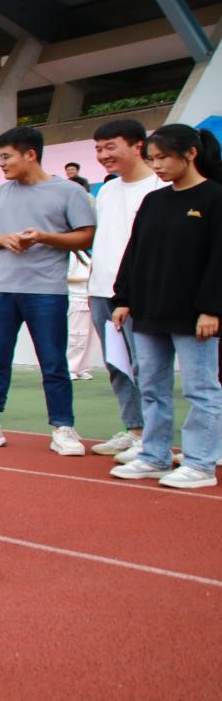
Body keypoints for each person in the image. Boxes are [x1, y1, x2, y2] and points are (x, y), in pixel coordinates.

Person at [0, 127, 95, 455]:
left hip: (47, 290)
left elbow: (86, 237)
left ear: (30, 154)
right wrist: (1, 240)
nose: (1, 163)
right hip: (2, 289)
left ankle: (63, 427)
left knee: (53, 361)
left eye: (6, 157)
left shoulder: (69, 192)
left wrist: (44, 236)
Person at [109, 124, 222, 489]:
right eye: (151, 159)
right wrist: (123, 299)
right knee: (152, 387)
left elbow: (220, 259)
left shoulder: (215, 197)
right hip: (149, 310)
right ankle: (154, 456)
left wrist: (212, 308)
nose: (156, 165)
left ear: (190, 154)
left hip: (194, 314)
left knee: (200, 389)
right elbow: (135, 252)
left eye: (163, 158)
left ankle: (201, 463)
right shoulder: (154, 201)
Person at [88, 119, 164, 462]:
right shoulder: (106, 190)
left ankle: (153, 437)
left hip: (139, 293)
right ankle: (134, 429)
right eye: (98, 149)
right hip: (101, 290)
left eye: (110, 147)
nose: (103, 155)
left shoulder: (159, 187)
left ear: (137, 146)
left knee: (146, 366)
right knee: (116, 364)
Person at [66, 251, 99, 381]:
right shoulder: (73, 254)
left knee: (90, 338)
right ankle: (70, 368)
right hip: (76, 298)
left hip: (89, 298)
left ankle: (82, 368)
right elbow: (66, 277)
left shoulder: (90, 254)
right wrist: (88, 278)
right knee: (76, 336)